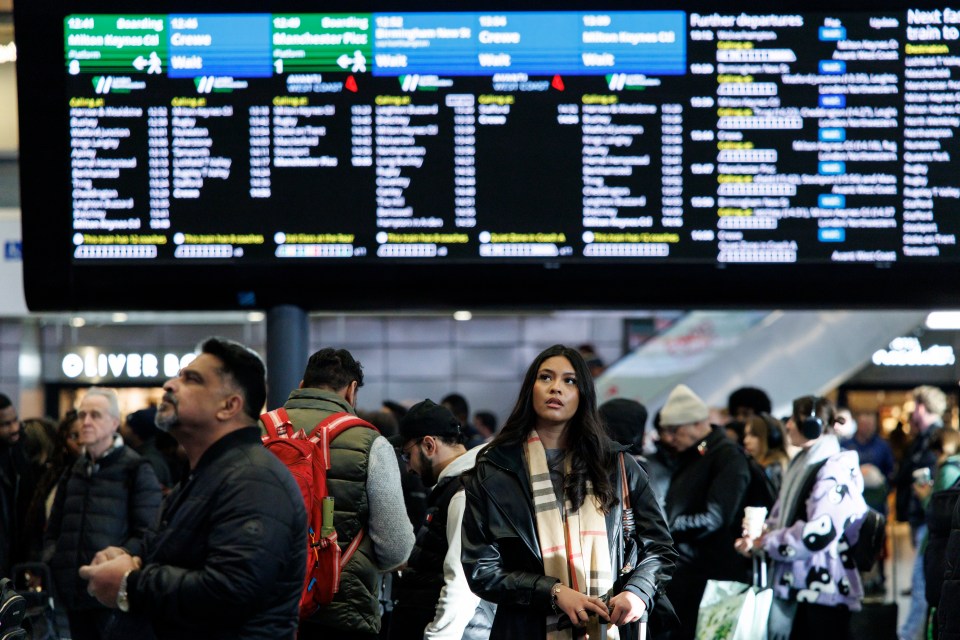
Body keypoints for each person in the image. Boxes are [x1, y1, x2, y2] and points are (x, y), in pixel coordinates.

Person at [79, 337, 307, 639]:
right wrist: (127, 554)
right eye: (178, 375)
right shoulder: (209, 472)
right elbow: (168, 547)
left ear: (229, 406)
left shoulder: (254, 479)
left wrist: (129, 583)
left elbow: (230, 589)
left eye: (192, 379)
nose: (170, 385)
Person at [461, 344, 677, 640]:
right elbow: (480, 570)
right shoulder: (494, 469)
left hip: (611, 625)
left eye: (569, 381)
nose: (556, 388)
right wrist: (553, 591)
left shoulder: (617, 465)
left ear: (583, 394)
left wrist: (638, 592)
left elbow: (660, 549)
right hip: (526, 628)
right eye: (546, 378)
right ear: (530, 389)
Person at [278, 347, 414, 640]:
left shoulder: (260, 433)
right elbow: (395, 546)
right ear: (352, 390)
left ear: (302, 386)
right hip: (340, 609)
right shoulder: (371, 443)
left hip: (267, 603)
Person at [735, 395, 867, 640]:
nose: (787, 425)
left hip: (822, 591)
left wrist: (766, 542)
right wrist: (760, 536)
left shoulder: (832, 468)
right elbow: (782, 516)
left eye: (794, 420)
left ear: (812, 425)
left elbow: (818, 533)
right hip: (799, 585)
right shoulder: (803, 462)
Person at [43, 387, 163, 640]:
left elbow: (148, 532)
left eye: (95, 415)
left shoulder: (136, 468)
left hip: (112, 594)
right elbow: (54, 528)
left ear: (114, 423)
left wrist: (114, 563)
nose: (86, 422)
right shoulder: (75, 470)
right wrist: (53, 558)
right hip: (71, 592)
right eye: (82, 414)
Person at [389, 399, 495, 640]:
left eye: (407, 456)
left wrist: (438, 636)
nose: (409, 468)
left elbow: (462, 581)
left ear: (428, 445)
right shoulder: (459, 486)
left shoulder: (463, 494)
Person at [657, 384, 751, 640]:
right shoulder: (694, 454)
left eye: (674, 430)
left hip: (711, 579)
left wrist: (666, 528)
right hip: (689, 575)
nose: (669, 437)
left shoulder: (727, 457)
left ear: (698, 424)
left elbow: (715, 518)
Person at [0, 393, 38, 578]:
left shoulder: (21, 454)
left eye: (15, 420)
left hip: (15, 563)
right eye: (5, 424)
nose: (14, 428)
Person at [743, 413, 789, 494]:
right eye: (746, 435)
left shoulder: (774, 469)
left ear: (770, 438)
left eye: (753, 435)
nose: (746, 441)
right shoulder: (755, 466)